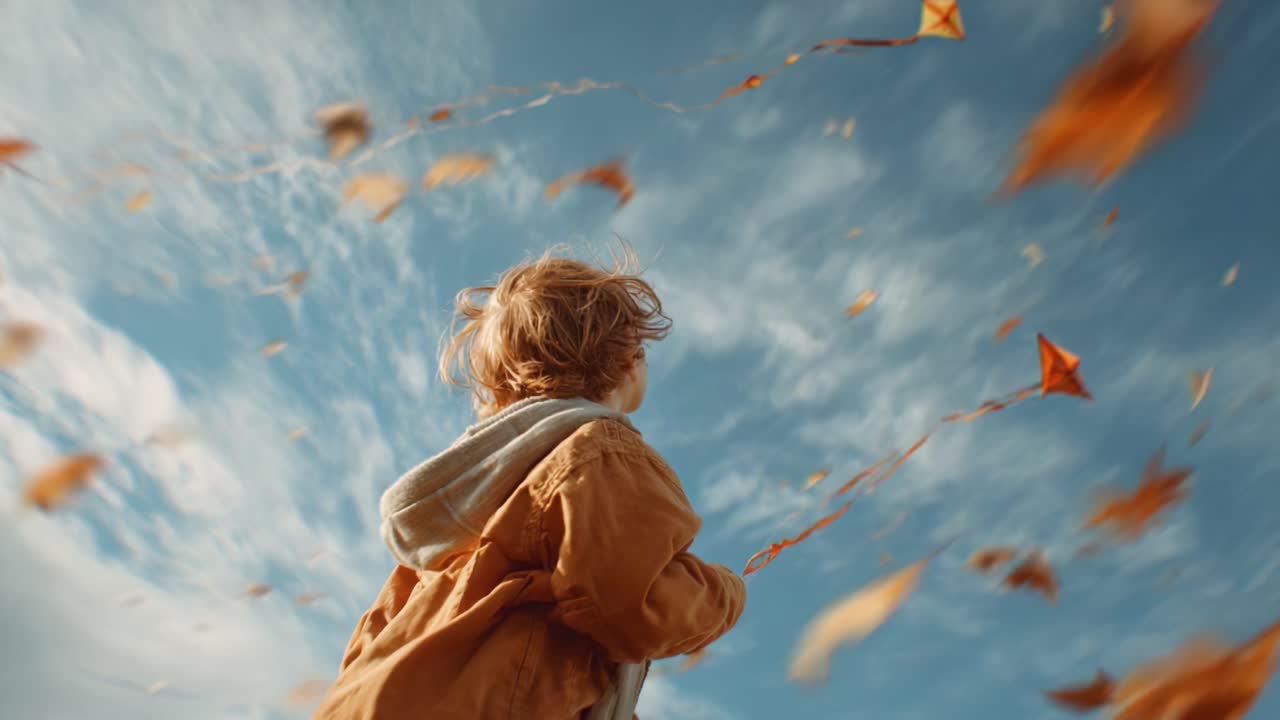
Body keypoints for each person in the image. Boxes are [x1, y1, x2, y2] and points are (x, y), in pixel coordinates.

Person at [312, 243, 747, 720]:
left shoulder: (449, 533)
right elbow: (626, 604)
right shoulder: (600, 450)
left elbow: (373, 638)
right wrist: (725, 594)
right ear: (629, 361)